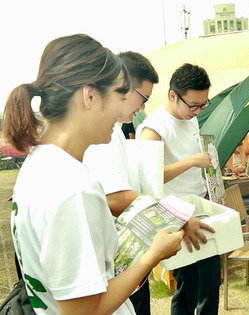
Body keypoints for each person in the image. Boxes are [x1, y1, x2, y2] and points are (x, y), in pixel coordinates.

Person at [2, 34, 183, 314]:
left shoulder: (38, 165)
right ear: (89, 96)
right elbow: (82, 311)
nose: (123, 110)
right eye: (120, 96)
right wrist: (152, 256)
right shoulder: (73, 187)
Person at [83, 52, 215, 314]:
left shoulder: (115, 131)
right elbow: (119, 195)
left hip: (178, 214)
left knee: (206, 284)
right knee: (185, 288)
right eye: (141, 97)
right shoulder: (127, 132)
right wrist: (177, 218)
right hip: (164, 219)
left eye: (203, 105)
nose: (142, 107)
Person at [136, 63, 220, 315]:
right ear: (173, 95)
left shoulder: (190, 118)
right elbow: (150, 177)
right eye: (193, 105)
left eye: (203, 104)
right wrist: (192, 161)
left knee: (211, 281)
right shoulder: (153, 128)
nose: (197, 111)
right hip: (175, 215)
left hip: (199, 205)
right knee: (188, 286)